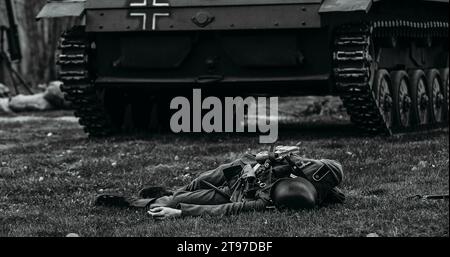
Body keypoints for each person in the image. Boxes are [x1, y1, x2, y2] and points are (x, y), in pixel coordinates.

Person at [95, 146, 346, 220]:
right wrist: (273, 157)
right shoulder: (302, 170)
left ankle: (133, 202)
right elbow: (242, 163)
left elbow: (228, 209)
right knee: (195, 184)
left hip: (230, 195)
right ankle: (171, 192)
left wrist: (179, 213)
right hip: (233, 175)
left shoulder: (275, 198)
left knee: (175, 201)